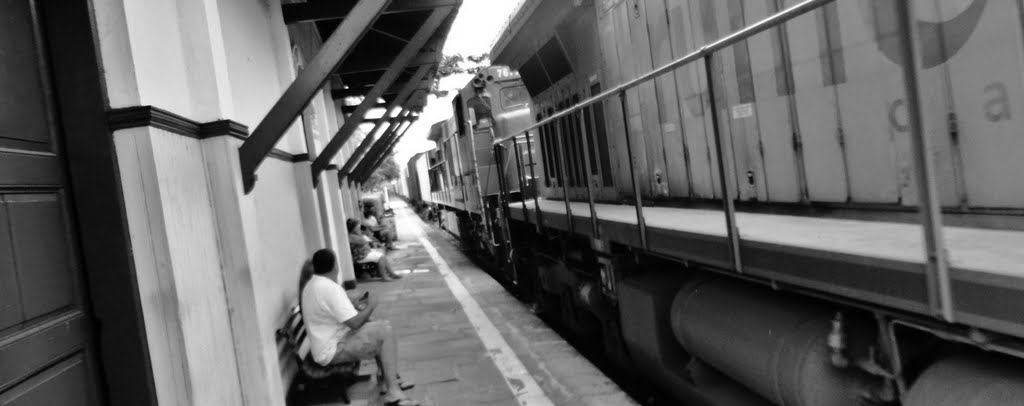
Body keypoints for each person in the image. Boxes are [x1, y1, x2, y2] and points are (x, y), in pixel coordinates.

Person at [301, 249, 417, 406]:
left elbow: (334, 313)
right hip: (332, 350)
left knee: (379, 326)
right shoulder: (329, 288)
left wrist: (353, 306)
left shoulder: (313, 284)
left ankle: (386, 379)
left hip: (328, 344)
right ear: (335, 266)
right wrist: (371, 305)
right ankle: (393, 393)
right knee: (384, 331)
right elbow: (355, 323)